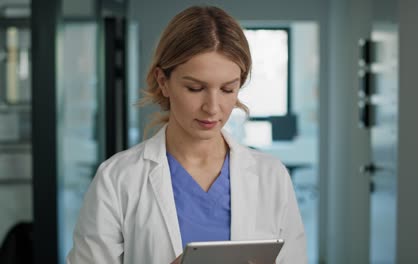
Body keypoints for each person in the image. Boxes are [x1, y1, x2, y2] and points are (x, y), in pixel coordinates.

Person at [66, 5, 307, 264]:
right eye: (195, 88)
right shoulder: (117, 179)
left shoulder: (271, 177)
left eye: (227, 89)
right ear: (163, 81)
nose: (212, 108)